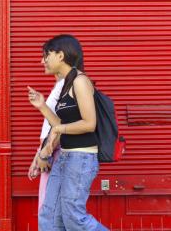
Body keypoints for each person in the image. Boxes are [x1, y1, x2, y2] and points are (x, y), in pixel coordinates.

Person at [28, 34, 109, 231]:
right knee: (50, 216)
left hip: (81, 158)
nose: (42, 60)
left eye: (46, 55)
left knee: (74, 217)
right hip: (65, 157)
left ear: (60, 55)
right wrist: (42, 106)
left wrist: (58, 129)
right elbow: (60, 124)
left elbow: (89, 124)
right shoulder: (66, 84)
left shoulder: (80, 81)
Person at [27, 75, 64, 212]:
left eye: (46, 55)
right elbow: (49, 127)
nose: (43, 61)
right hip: (50, 151)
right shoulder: (60, 85)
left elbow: (60, 127)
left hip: (55, 153)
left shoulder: (65, 86)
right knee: (49, 209)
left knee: (50, 210)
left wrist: (43, 155)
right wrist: (38, 155)